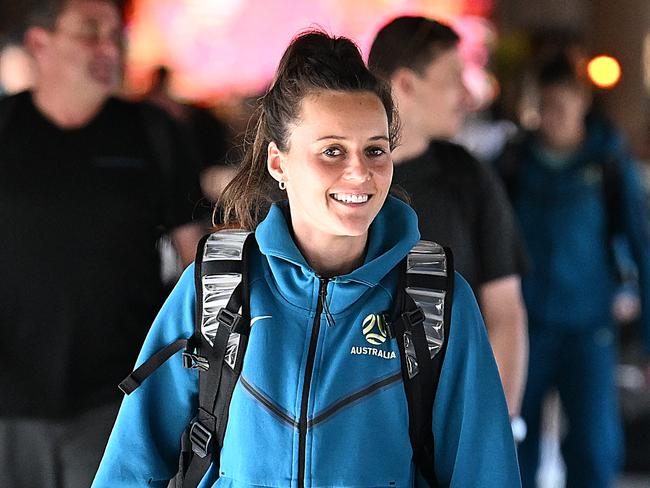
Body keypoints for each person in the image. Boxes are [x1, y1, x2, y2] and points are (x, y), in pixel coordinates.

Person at [92, 31, 521, 487]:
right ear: (279, 163)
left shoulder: (434, 299)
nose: (359, 171)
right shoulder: (218, 286)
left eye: (374, 150)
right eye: (332, 151)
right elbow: (132, 465)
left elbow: (485, 472)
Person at [0, 1, 204, 486]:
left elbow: (196, 255)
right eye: (90, 32)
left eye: (116, 34)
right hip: (7, 400)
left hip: (120, 394)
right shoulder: (4, 129)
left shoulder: (153, 134)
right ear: (38, 43)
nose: (109, 46)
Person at [495, 54, 650, 487]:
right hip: (526, 325)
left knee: (594, 448)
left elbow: (641, 246)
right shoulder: (513, 163)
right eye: (545, 106)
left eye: (562, 105)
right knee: (512, 443)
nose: (553, 117)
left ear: (582, 102)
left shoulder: (609, 161)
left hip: (589, 327)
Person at [368, 16, 528, 420]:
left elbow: (505, 310)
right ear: (405, 84)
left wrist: (498, 421)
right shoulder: (349, 180)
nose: (466, 94)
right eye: (453, 77)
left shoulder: (469, 176)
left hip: (452, 410)